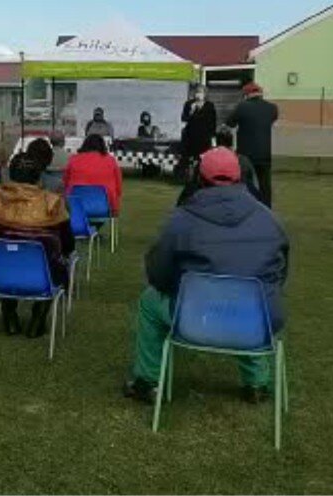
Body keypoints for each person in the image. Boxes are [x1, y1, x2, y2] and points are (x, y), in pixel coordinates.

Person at [123, 147, 289, 404]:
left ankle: (147, 381)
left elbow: (158, 273)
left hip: (194, 318)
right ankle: (256, 383)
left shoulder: (180, 220)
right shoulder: (270, 220)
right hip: (255, 321)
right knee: (254, 300)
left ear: (198, 178)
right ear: (241, 177)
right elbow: (279, 275)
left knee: (149, 301)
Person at [0, 153, 74, 338]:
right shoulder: (53, 203)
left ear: (11, 173)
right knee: (56, 264)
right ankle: (39, 316)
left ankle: (9, 313)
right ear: (38, 175)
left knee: (3, 259)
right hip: (44, 275)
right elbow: (68, 245)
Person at [226, 82, 279, 208]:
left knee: (245, 182)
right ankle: (266, 208)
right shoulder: (272, 108)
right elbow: (272, 119)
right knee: (265, 183)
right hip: (265, 151)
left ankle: (247, 206)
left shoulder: (242, 107)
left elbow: (230, 123)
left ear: (246, 95)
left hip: (246, 153)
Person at [178, 128, 260, 205]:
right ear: (231, 141)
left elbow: (190, 189)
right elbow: (255, 187)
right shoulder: (244, 161)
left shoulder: (205, 160)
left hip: (208, 205)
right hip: (240, 203)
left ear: (216, 141)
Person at [63, 133, 123, 216]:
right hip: (104, 207)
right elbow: (118, 188)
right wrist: (115, 208)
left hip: (76, 207)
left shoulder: (73, 160)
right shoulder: (111, 161)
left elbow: (65, 183)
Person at [180, 86, 217, 160]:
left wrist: (213, 138)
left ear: (205, 94)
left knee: (202, 158)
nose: (198, 94)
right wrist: (191, 111)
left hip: (204, 138)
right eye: (197, 92)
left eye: (200, 92)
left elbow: (213, 122)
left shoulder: (209, 105)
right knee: (189, 158)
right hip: (191, 137)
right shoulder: (189, 104)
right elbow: (184, 118)